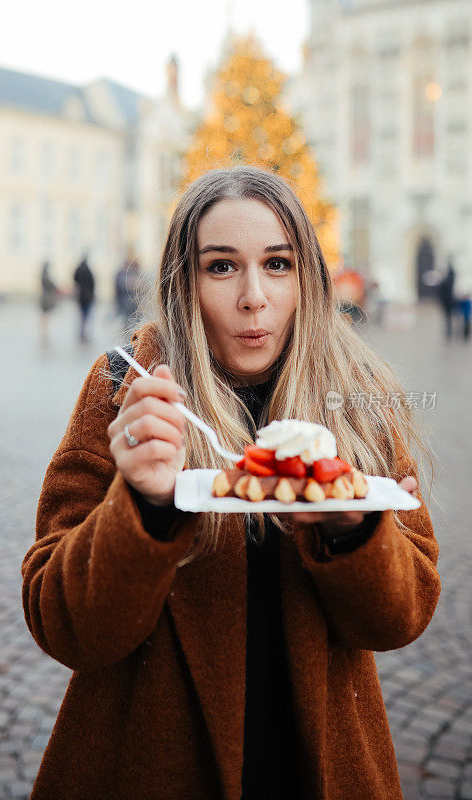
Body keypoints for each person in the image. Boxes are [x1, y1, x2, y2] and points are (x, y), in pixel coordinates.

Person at [22, 166, 440, 800]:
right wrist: (140, 506)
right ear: (182, 282)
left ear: (308, 278)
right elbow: (66, 626)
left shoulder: (359, 398)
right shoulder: (129, 391)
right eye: (221, 267)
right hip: (146, 767)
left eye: (278, 264)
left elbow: (401, 619)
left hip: (323, 768)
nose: (254, 297)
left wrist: (356, 532)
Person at [115, 258, 142, 329]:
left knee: (136, 319)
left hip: (135, 302)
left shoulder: (137, 274)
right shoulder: (122, 274)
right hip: (125, 301)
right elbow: (120, 287)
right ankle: (127, 331)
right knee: (127, 318)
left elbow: (143, 286)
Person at [73, 255, 95, 343]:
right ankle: (84, 334)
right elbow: (92, 283)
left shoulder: (78, 269)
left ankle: (82, 333)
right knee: (86, 316)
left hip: (81, 297)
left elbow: (74, 279)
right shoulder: (88, 270)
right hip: (88, 297)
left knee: (82, 317)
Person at [38, 261, 58, 347]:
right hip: (46, 300)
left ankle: (44, 333)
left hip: (45, 300)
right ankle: (45, 333)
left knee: (45, 318)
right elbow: (53, 286)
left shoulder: (43, 276)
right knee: (46, 318)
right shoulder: (45, 277)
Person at [437, 259, 456, 340]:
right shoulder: (448, 276)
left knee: (449, 317)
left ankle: (450, 332)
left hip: (448, 300)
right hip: (446, 300)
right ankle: (449, 331)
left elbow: (447, 285)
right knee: (448, 317)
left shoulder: (450, 276)